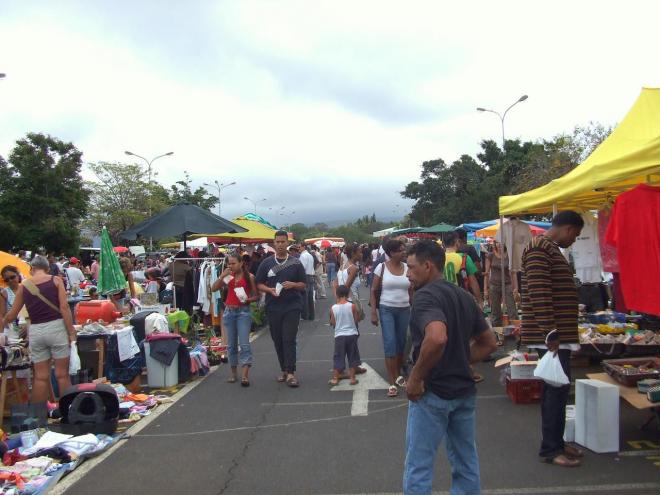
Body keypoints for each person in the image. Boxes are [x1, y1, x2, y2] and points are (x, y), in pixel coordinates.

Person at [403, 241, 497, 494]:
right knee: (466, 461)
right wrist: (461, 359)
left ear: (428, 266)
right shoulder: (463, 296)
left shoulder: (424, 297)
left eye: (411, 268)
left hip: (433, 393)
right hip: (464, 392)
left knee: (419, 465)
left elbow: (436, 337)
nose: (408, 274)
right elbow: (489, 343)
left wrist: (416, 377)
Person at [521, 211, 584, 468]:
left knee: (557, 390)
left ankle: (556, 441)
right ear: (568, 229)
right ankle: (551, 449)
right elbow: (539, 291)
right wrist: (550, 331)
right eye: (576, 235)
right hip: (550, 337)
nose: (575, 240)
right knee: (555, 392)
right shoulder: (539, 249)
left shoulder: (547, 248)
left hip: (555, 335)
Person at [2, 256, 77, 403]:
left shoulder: (24, 286)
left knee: (40, 377)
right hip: (56, 328)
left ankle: (38, 417)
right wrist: (71, 331)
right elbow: (64, 307)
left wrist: (3, 322)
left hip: (36, 331)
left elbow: (12, 314)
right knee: (62, 375)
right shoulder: (56, 281)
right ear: (47, 268)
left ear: (32, 269)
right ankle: (67, 411)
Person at [255, 231, 307, 388]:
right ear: (273, 243)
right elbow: (259, 283)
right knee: (277, 339)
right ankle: (284, 369)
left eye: (283, 242)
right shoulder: (266, 263)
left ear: (287, 243)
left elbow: (303, 284)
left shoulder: (296, 263)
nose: (280, 244)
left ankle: (291, 372)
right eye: (277, 242)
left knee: (289, 338)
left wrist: (293, 285)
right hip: (273, 306)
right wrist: (269, 290)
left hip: (292, 306)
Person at [370, 239, 412, 398]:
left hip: (405, 309)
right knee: (390, 343)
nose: (404, 252)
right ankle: (392, 381)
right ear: (392, 253)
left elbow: (412, 290)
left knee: (401, 343)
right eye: (401, 250)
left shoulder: (408, 267)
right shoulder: (381, 268)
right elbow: (374, 291)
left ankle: (399, 373)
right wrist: (374, 312)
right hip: (386, 308)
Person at [212, 252, 259, 386]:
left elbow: (257, 296)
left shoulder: (249, 277)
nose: (230, 266)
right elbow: (214, 288)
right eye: (229, 263)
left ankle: (245, 374)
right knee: (231, 345)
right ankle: (233, 372)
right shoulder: (228, 277)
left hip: (243, 312)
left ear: (241, 263)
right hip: (229, 311)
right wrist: (222, 276)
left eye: (233, 263)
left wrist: (247, 300)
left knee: (244, 344)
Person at [329, 285, 360, 387]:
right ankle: (352, 378)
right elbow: (356, 319)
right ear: (348, 294)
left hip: (339, 335)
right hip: (351, 334)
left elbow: (333, 322)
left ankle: (335, 378)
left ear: (337, 295)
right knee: (352, 356)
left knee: (339, 356)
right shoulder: (352, 306)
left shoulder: (333, 308)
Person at [443, 233, 483, 307]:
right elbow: (473, 282)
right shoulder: (464, 258)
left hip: (443, 298)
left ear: (444, 244)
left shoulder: (438, 258)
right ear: (457, 242)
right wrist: (480, 301)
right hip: (460, 298)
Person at [484, 241, 518, 327]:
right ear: (495, 244)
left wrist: (516, 288)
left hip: (507, 285)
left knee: (512, 310)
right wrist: (485, 289)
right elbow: (486, 274)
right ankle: (497, 334)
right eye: (497, 243)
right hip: (494, 285)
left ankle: (515, 332)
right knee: (495, 312)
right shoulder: (490, 255)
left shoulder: (509, 255)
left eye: (501, 242)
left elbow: (513, 273)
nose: (499, 245)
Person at [298, 245, 316, 321]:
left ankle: (305, 315)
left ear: (303, 247)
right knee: (310, 297)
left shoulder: (303, 256)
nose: (298, 249)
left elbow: (302, 268)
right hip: (311, 276)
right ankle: (311, 315)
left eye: (299, 247)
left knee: (305, 296)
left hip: (305, 276)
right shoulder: (310, 255)